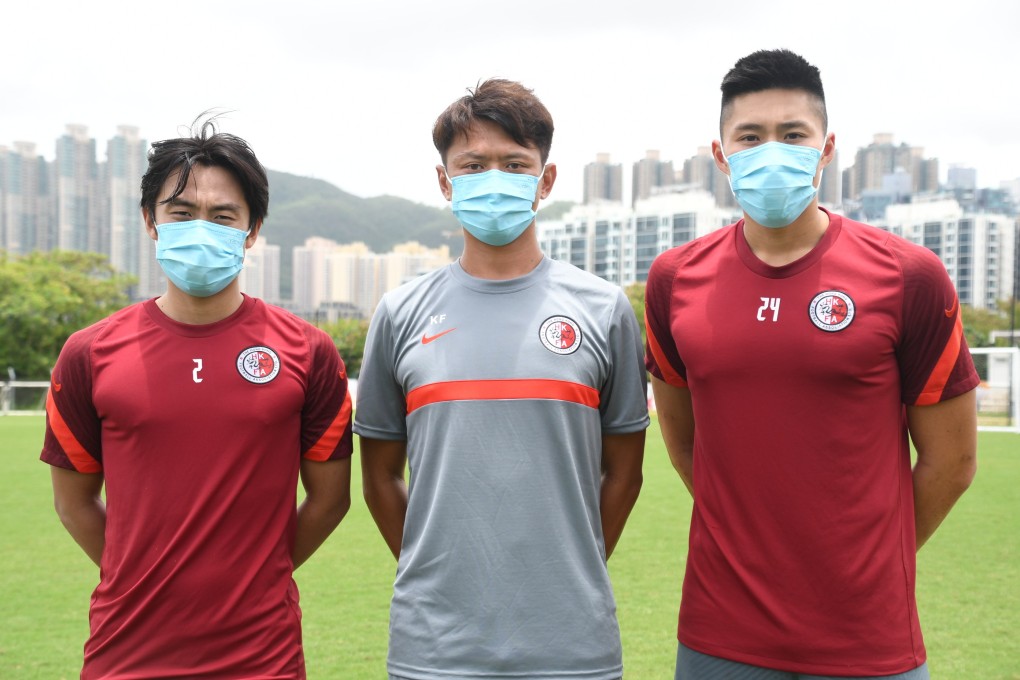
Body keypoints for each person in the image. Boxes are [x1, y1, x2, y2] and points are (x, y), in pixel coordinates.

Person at [645, 49, 980, 679]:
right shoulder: (674, 278)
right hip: (720, 635)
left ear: (826, 149)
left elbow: (952, 462)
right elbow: (687, 446)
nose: (772, 150)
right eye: (750, 136)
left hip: (868, 639)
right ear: (721, 155)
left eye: (793, 134)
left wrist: (864, 567)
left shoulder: (910, 276)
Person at [355, 78, 649, 680]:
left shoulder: (603, 308)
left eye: (515, 164)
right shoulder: (400, 312)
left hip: (573, 645)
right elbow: (380, 476)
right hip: (433, 648)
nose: (495, 178)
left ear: (546, 181)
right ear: (444, 181)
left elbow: (624, 469)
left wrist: (578, 567)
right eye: (474, 164)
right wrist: (431, 570)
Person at [41, 117, 354, 679]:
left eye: (223, 215)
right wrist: (139, 575)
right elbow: (73, 502)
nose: (200, 226)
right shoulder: (88, 354)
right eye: (181, 213)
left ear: (252, 229)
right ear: (150, 221)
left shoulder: (310, 352)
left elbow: (330, 500)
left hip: (264, 656)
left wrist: (259, 576)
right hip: (124, 652)